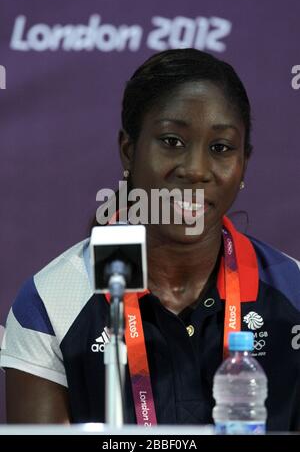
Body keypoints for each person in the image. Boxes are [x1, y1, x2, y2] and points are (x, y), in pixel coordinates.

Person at [1, 49, 299, 430]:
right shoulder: (50, 301)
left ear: (244, 164)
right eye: (172, 141)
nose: (195, 170)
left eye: (221, 148)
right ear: (129, 151)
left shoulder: (292, 290)